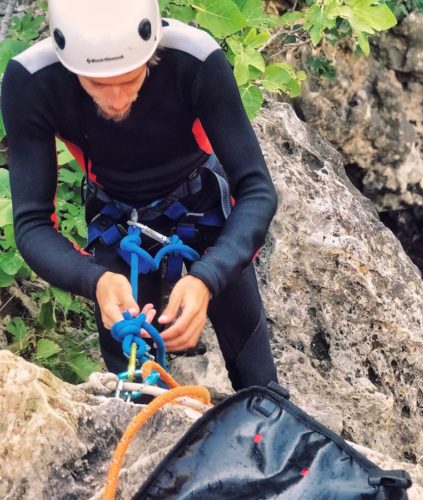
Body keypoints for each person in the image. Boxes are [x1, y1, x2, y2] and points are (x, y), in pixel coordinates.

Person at [0, 0, 278, 390]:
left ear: (153, 50)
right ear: (68, 63)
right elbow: (31, 225)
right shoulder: (32, 80)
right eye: (97, 84)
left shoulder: (194, 59)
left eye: (131, 79)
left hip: (200, 208)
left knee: (260, 382)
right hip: (119, 224)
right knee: (135, 387)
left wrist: (208, 278)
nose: (116, 100)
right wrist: (94, 280)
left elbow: (257, 190)